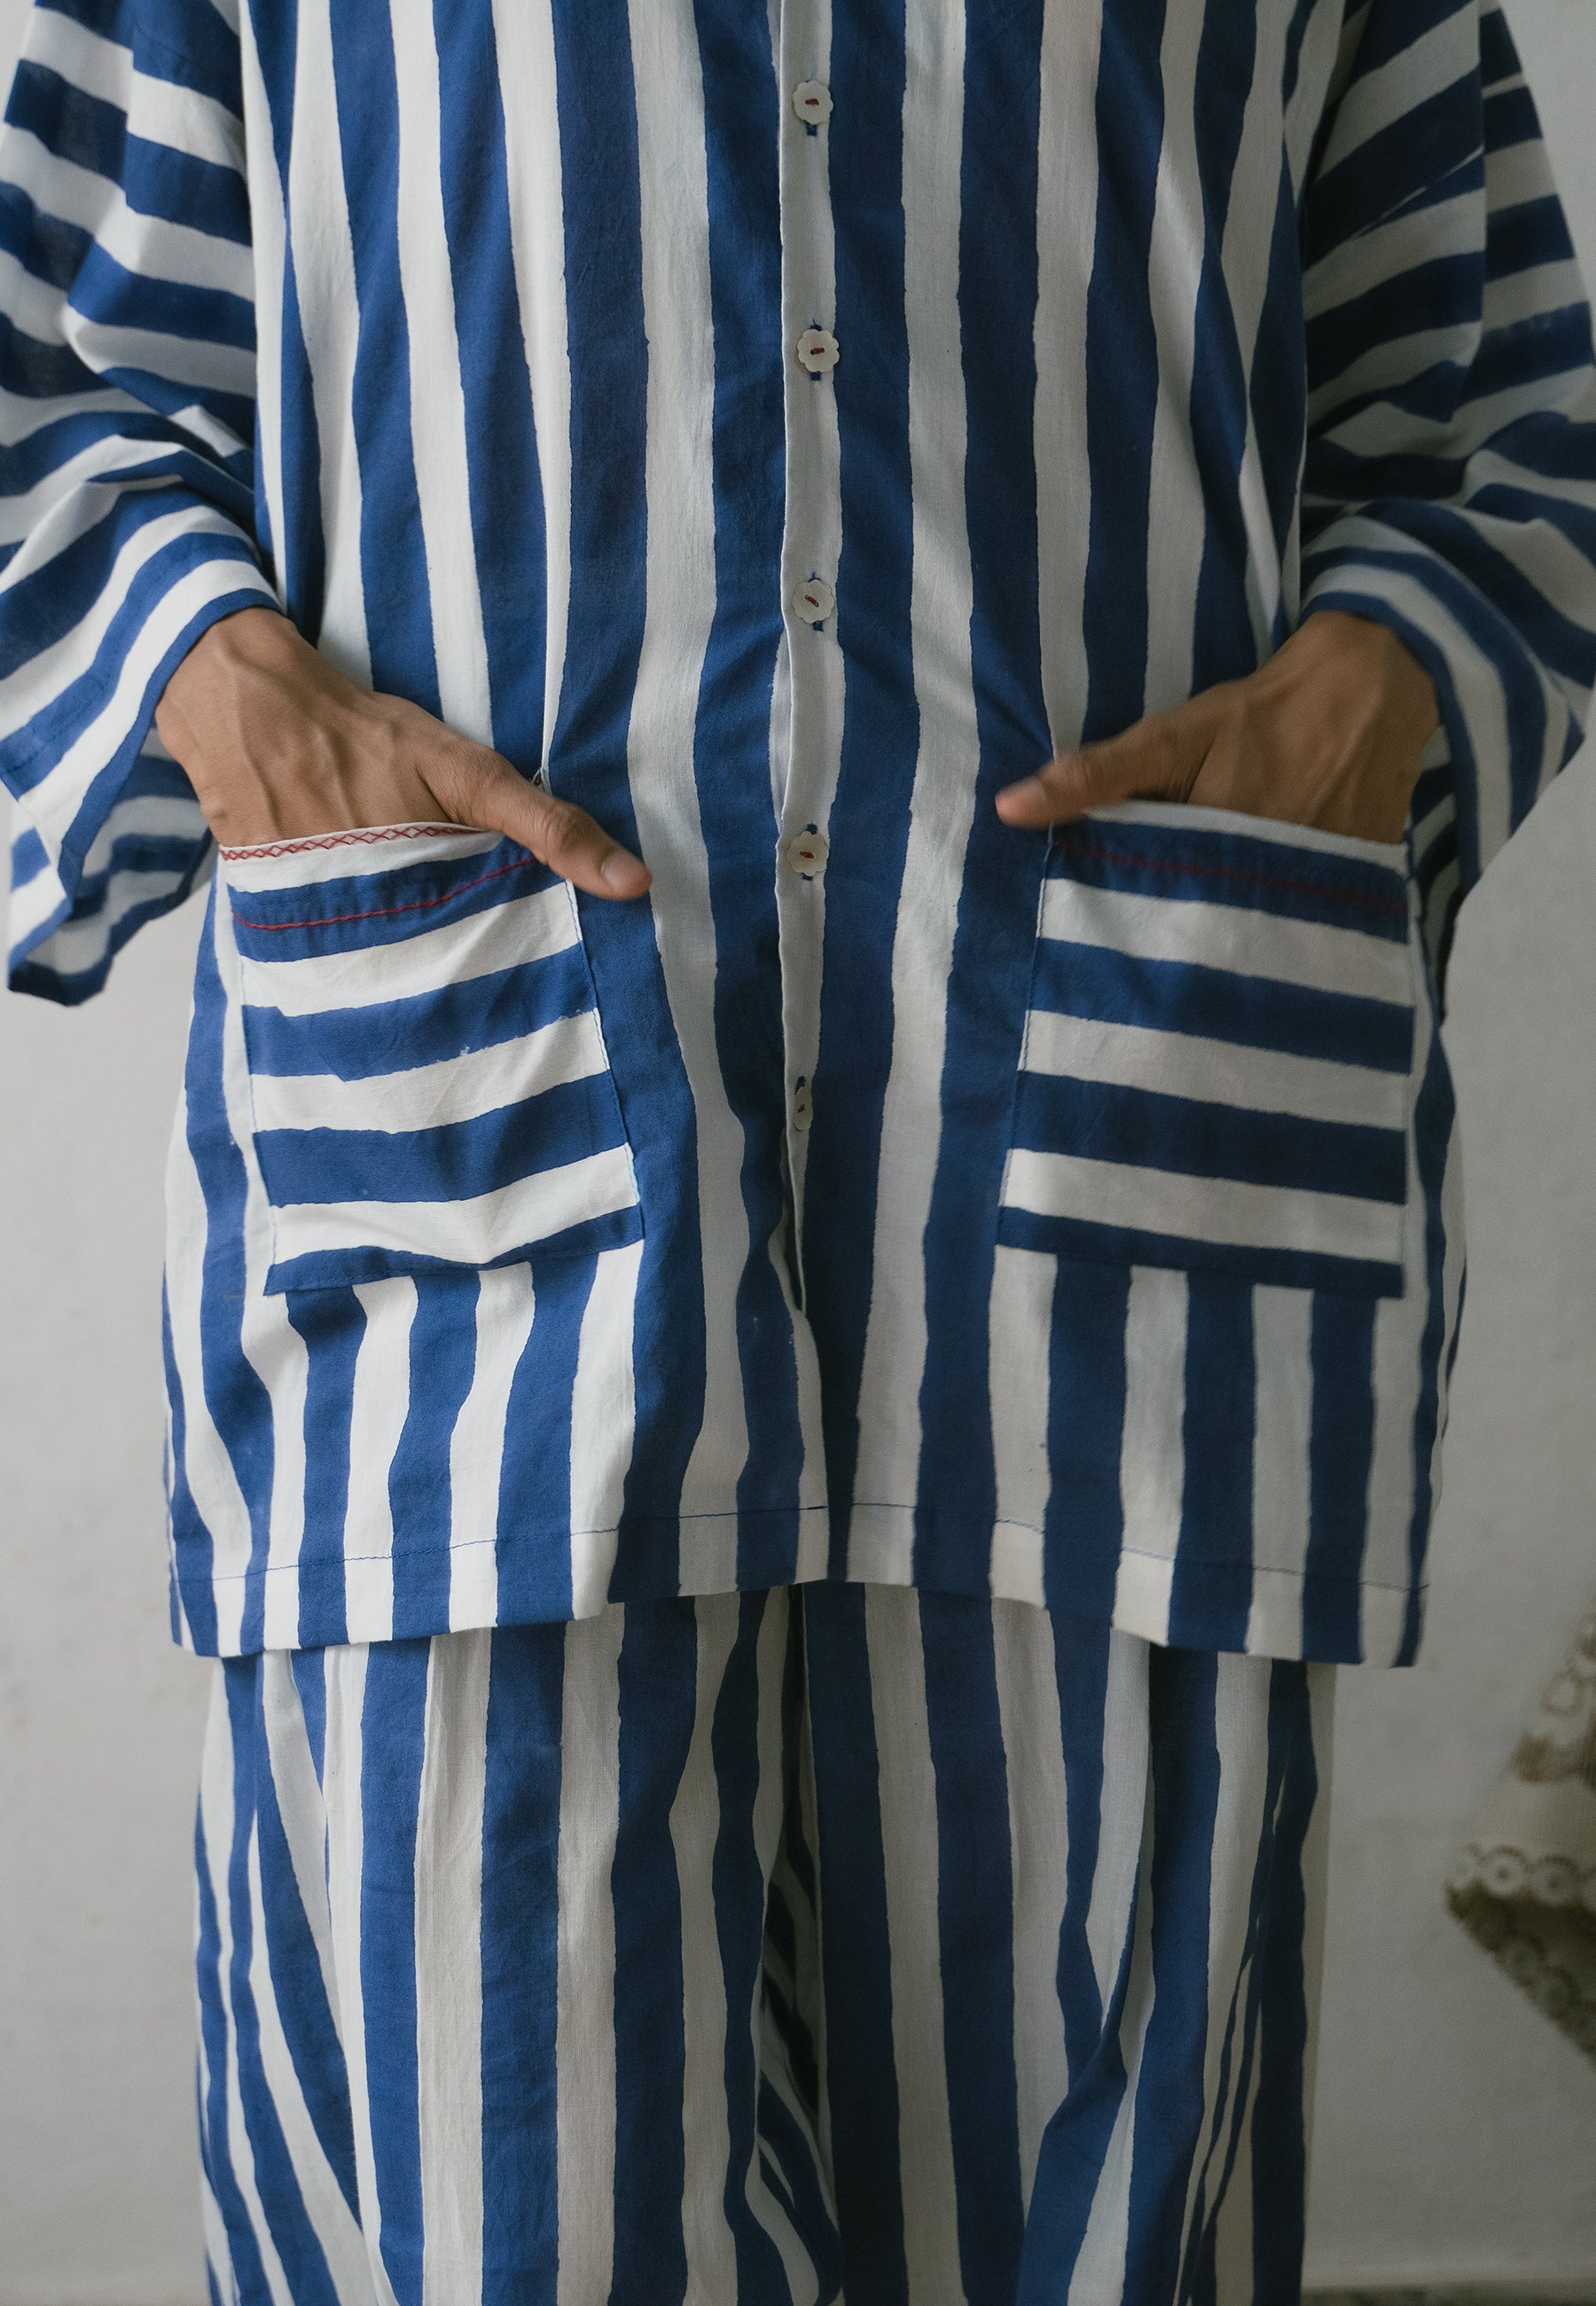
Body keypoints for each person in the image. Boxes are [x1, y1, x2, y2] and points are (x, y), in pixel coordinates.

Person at [2, 0, 1593, 2297]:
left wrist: (1385, 676)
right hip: (471, 1224)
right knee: (503, 2213)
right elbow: (50, 365)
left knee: (1095, 2230)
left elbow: (1493, 408)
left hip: (1117, 1221)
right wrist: (219, 678)